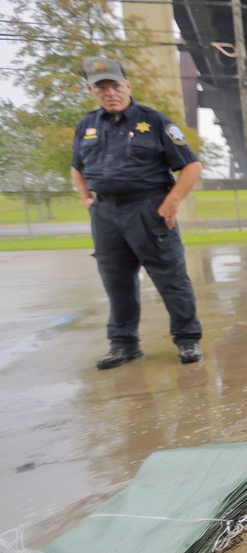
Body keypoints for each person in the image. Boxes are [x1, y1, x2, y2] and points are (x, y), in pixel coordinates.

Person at [70, 56, 203, 370]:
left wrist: (171, 203)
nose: (109, 92)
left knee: (171, 278)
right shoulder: (87, 125)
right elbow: (77, 169)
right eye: (101, 87)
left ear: (127, 86)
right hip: (105, 214)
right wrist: (88, 200)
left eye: (115, 85)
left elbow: (191, 166)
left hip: (149, 210)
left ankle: (187, 340)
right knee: (116, 282)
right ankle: (123, 345)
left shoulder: (153, 121)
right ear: (91, 90)